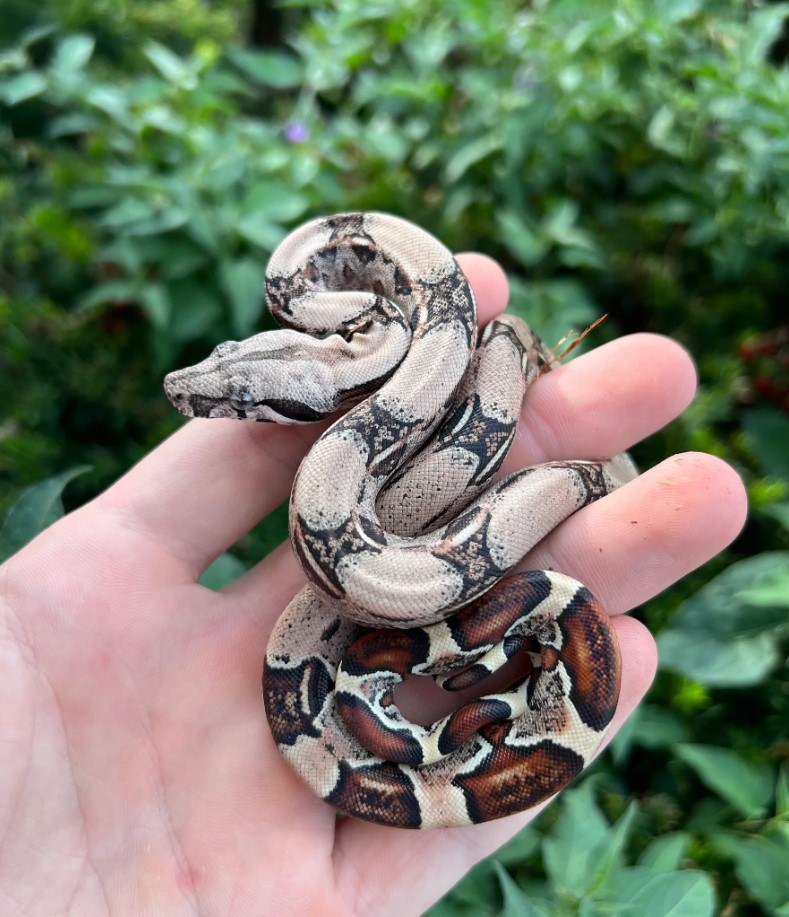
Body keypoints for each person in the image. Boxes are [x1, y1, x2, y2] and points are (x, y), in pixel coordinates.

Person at [0, 254, 747, 915]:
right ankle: (581, 484)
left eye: (235, 393)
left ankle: (580, 490)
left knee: (591, 486)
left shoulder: (367, 404)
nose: (198, 390)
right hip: (394, 643)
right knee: (557, 451)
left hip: (405, 629)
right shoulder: (389, 351)